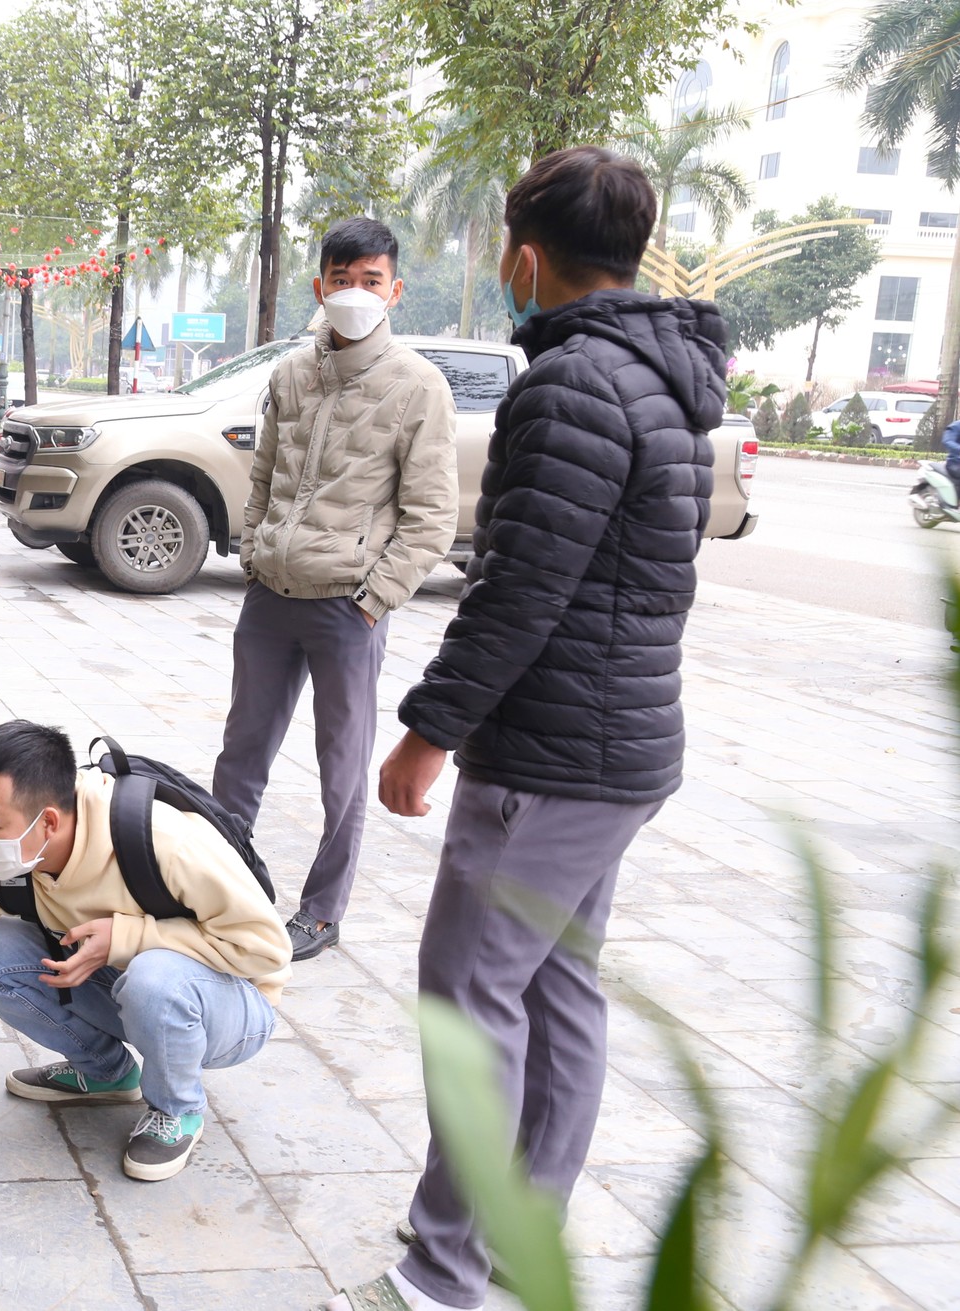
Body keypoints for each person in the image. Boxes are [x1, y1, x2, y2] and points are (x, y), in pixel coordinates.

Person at [329, 147, 726, 1311]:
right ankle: (519, 1240)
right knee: (555, 991)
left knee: (469, 1006)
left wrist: (425, 731)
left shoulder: (571, 384)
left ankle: (446, 1267)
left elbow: (519, 587)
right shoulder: (669, 377)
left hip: (551, 758)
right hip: (622, 748)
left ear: (523, 250)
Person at [0, 721, 289, 1182]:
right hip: (132, 987)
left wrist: (128, 938)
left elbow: (264, 951)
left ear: (47, 820)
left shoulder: (164, 841)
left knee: (155, 977)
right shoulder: (7, 857)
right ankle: (106, 1073)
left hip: (231, 1008)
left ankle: (178, 1108)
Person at [213, 216, 459, 963]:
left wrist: (372, 598)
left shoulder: (418, 387)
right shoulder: (292, 373)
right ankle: (220, 882)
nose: (355, 293)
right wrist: (254, 549)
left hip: (347, 608)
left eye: (371, 281)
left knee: (341, 767)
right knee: (240, 754)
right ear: (319, 286)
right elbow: (262, 477)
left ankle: (322, 909)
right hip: (270, 596)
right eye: (342, 280)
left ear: (396, 291)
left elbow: (431, 516)